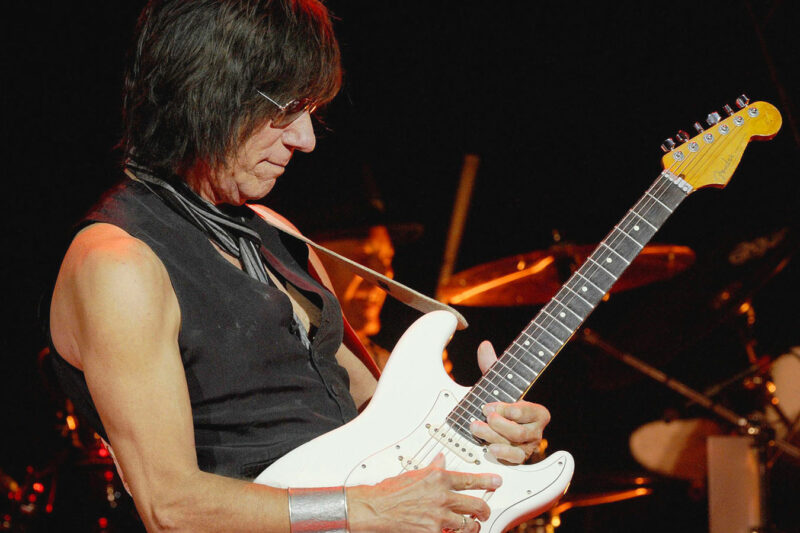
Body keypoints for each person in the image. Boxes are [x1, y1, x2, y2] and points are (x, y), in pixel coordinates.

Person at [47, 1, 552, 531]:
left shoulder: (280, 235)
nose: (305, 139)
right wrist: (364, 509)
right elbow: (171, 506)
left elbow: (386, 422)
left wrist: (484, 432)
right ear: (208, 91)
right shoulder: (118, 263)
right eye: (286, 109)